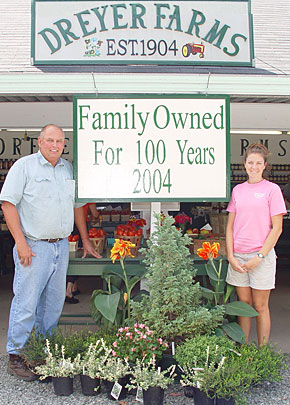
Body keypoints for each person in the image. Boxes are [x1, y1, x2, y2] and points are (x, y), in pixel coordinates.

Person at [0, 124, 101, 381]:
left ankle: (42, 352)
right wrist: (20, 242)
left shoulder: (67, 169)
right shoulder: (24, 167)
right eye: (50, 140)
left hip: (60, 245)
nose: (55, 145)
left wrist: (85, 240)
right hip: (33, 246)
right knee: (26, 302)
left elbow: (77, 207)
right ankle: (16, 356)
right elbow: (8, 204)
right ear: (40, 141)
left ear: (64, 144)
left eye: (59, 141)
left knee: (53, 304)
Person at [226, 143, 286, 346]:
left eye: (258, 163)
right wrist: (231, 256)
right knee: (244, 306)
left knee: (260, 306)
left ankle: (262, 352)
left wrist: (259, 256)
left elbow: (277, 228)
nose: (254, 166)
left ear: (264, 165)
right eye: (250, 162)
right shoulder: (238, 190)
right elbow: (230, 227)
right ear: (244, 164)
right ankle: (242, 350)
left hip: (261, 256)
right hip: (239, 257)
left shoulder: (272, 190)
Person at [65, 203, 100, 304]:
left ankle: (74, 287)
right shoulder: (86, 196)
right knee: (79, 256)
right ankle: (69, 290)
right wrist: (96, 217)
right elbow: (94, 213)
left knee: (70, 253)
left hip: (65, 223)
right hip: (79, 224)